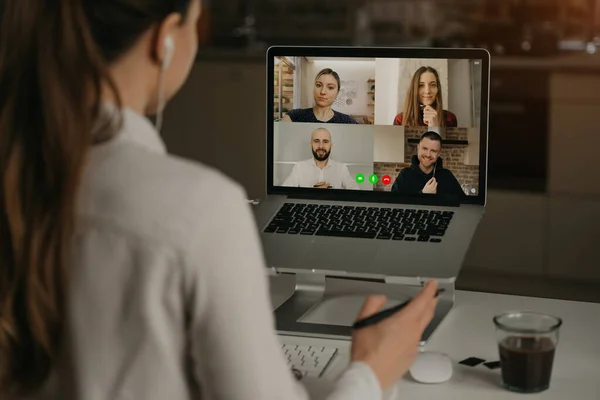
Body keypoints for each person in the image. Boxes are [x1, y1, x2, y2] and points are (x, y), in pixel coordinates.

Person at [0, 1, 439, 399]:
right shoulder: (202, 211)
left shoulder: (18, 172)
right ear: (166, 38)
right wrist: (370, 372)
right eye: (198, 19)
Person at [391, 132, 465, 197]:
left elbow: (462, 202)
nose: (428, 154)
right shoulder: (405, 174)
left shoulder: (447, 176)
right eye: (425, 148)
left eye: (433, 151)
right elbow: (394, 202)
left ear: (439, 154)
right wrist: (423, 194)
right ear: (418, 148)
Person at [282, 128, 360, 189]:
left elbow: (355, 190)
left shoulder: (341, 168)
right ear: (311, 144)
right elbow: (284, 192)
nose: (321, 146)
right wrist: (312, 193)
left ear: (331, 145)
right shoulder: (299, 167)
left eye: (325, 142)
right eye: (316, 141)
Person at [281, 68, 358, 124]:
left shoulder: (346, 121)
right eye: (318, 85)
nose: (323, 92)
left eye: (330, 87)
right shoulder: (294, 116)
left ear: (337, 93)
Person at [393, 66, 458, 128]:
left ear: (438, 89)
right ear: (414, 89)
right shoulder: (400, 119)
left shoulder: (450, 118)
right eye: (421, 85)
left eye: (433, 85)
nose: (427, 91)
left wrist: (436, 127)